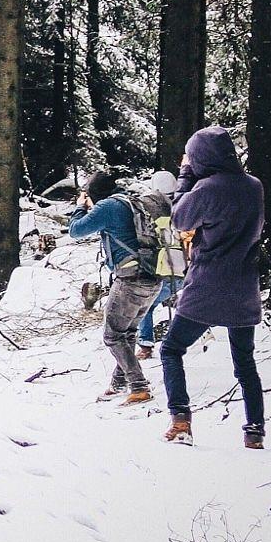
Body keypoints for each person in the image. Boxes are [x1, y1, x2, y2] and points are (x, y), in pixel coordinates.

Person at [160, 125, 267, 448]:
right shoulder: (254, 186)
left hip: (207, 285)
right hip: (245, 285)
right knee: (245, 363)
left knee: (171, 349)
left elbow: (179, 220)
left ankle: (180, 420)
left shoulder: (206, 189)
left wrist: (184, 177)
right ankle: (254, 431)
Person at [67, 170, 166, 406]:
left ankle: (139, 386)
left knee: (112, 335)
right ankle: (119, 383)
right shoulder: (130, 203)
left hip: (131, 280)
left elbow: (75, 230)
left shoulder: (107, 207)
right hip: (152, 278)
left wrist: (81, 207)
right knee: (127, 333)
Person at [136, 170, 185, 358]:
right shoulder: (182, 207)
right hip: (184, 269)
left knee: (145, 305)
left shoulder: (150, 212)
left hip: (163, 270)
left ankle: (146, 345)